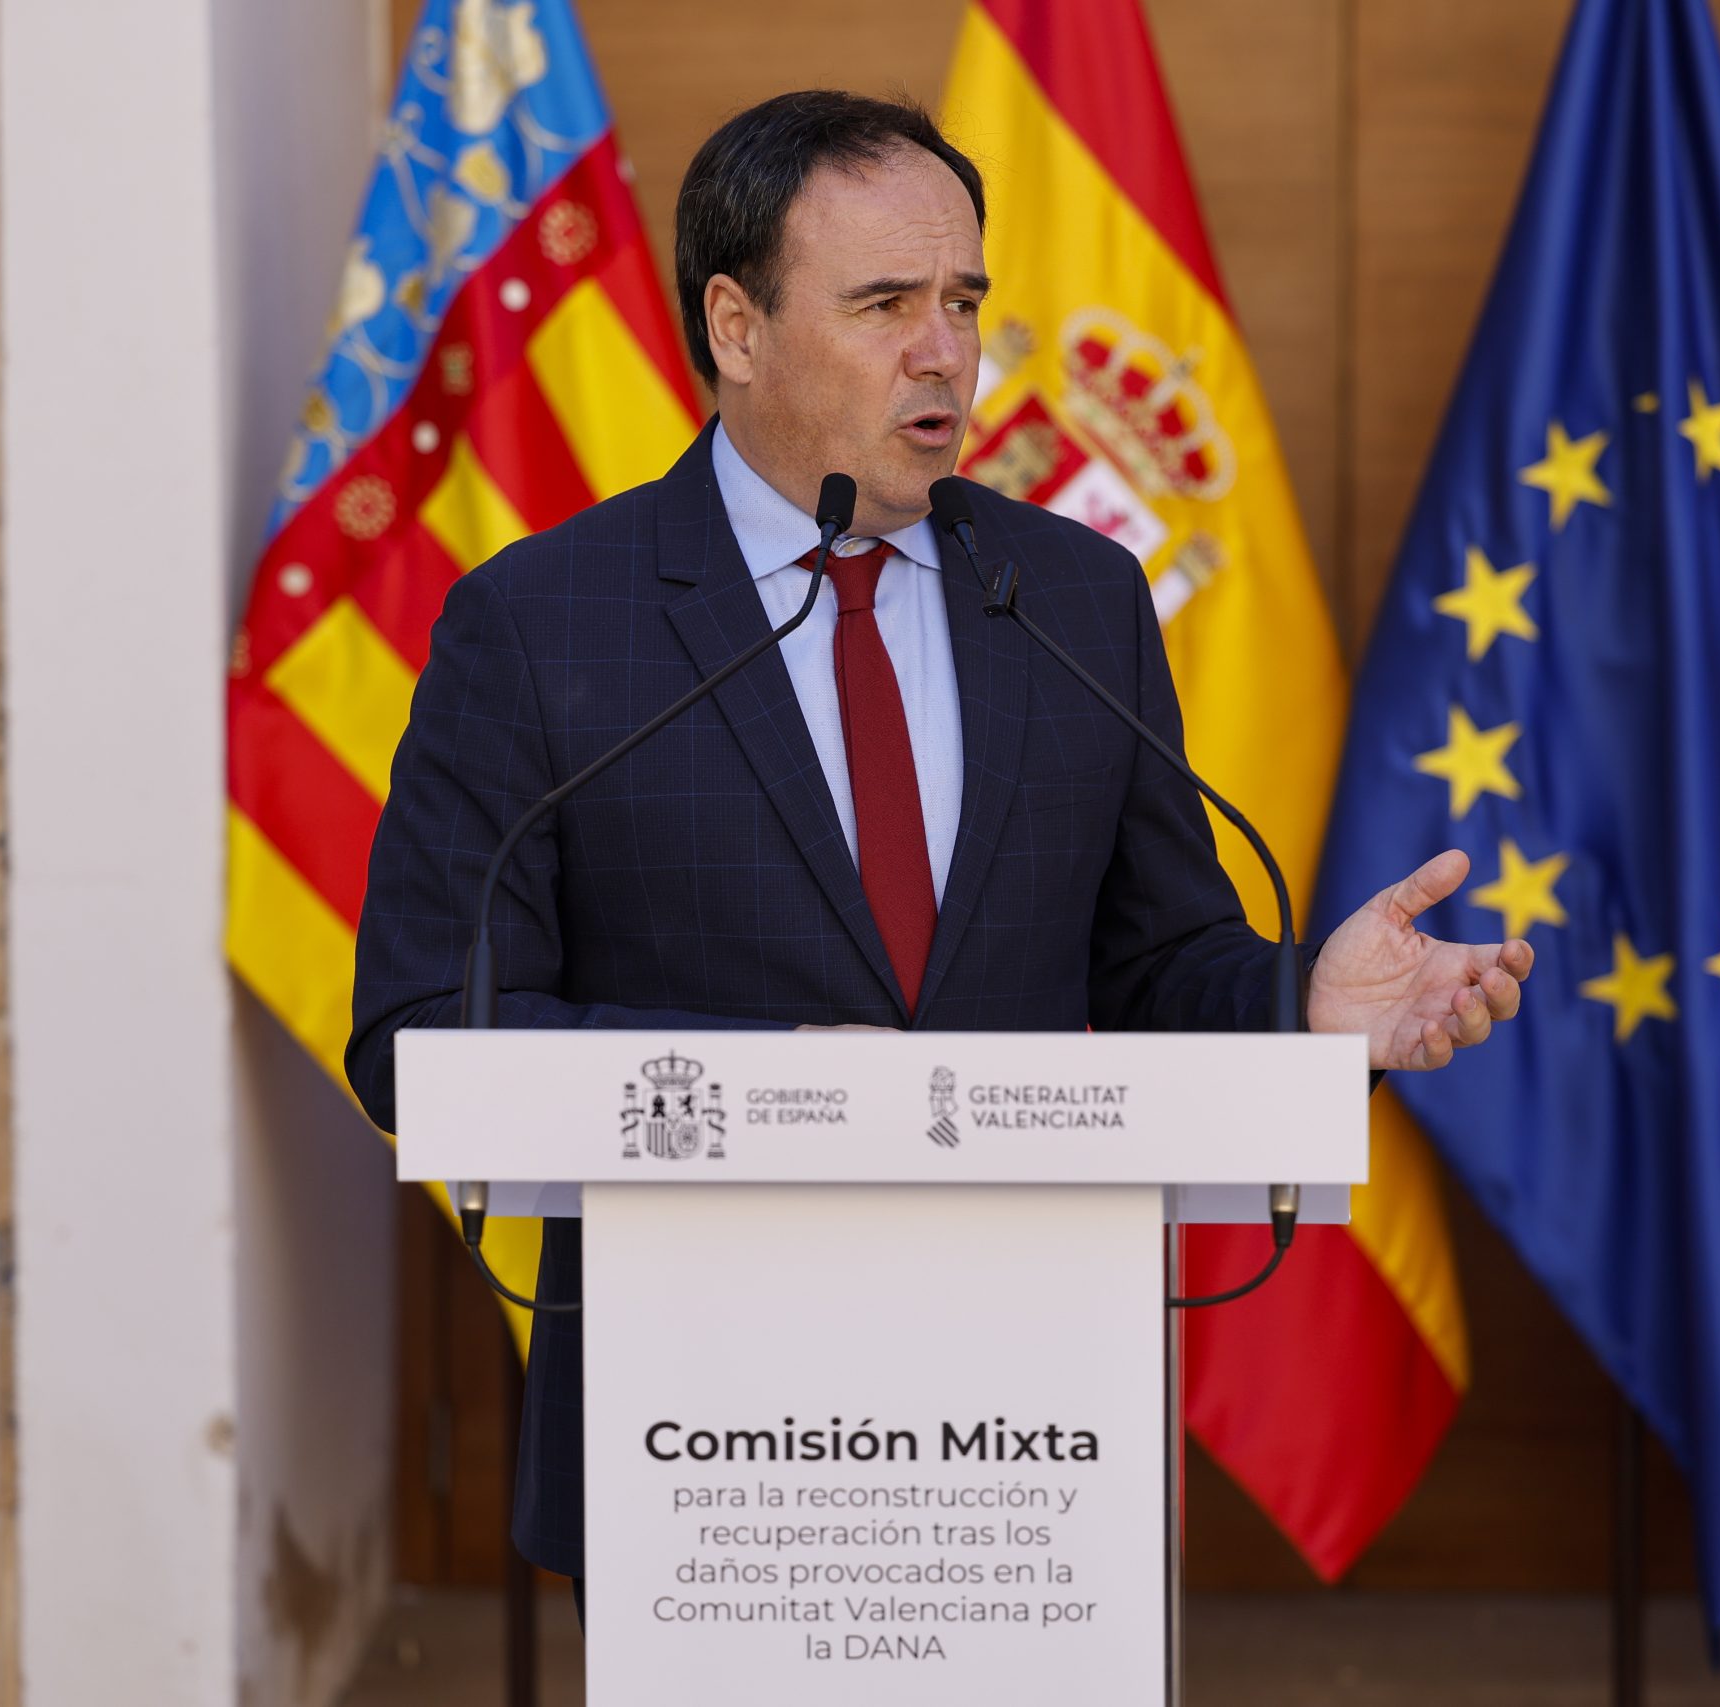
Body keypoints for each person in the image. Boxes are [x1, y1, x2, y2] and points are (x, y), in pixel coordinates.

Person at [347, 89, 1533, 1610]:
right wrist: (787, 1090)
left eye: (963, 301)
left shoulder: (1073, 595)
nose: (945, 353)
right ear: (736, 327)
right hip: (696, 1427)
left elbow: (1159, 963)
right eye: (885, 304)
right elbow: (424, 1034)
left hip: (1024, 1417)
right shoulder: (542, 622)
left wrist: (1307, 1007)